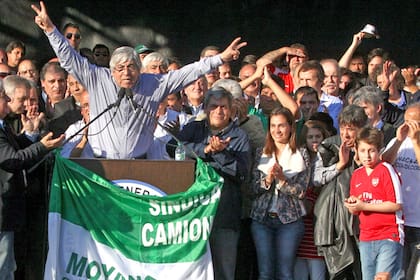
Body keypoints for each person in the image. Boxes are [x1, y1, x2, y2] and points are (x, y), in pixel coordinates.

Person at [32, 1, 245, 159]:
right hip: (99, 164)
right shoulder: (97, 77)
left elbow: (188, 72)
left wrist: (221, 59)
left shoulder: (154, 83)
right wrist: (50, 29)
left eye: (131, 67)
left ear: (139, 69)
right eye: (120, 68)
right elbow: (69, 59)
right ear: (112, 71)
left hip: (139, 167)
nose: (126, 73)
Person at [168, 88, 251, 280]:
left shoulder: (240, 136)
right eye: (214, 106)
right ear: (205, 108)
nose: (219, 111)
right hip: (193, 213)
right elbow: (172, 146)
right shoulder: (194, 128)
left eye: (224, 107)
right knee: (191, 269)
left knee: (223, 270)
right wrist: (205, 149)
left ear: (231, 110)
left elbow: (242, 172)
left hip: (224, 214)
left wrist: (220, 152)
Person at [0, 80, 64, 278]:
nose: (9, 101)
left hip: (8, 211)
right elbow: (12, 159)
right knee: (4, 267)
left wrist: (29, 135)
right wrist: (42, 147)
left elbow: (14, 148)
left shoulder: (5, 126)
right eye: (5, 98)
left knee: (8, 266)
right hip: (2, 212)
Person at [250, 107, 309, 279]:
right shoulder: (261, 153)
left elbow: (301, 191)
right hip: (262, 219)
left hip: (289, 220)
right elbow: (252, 189)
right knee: (265, 273)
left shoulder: (301, 153)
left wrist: (282, 180)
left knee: (285, 273)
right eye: (273, 126)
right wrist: (267, 180)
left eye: (282, 125)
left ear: (291, 127)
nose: (277, 130)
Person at [313, 104, 368, 279]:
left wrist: (358, 157)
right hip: (332, 216)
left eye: (351, 129)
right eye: (343, 128)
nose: (346, 134)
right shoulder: (328, 146)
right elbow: (316, 179)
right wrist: (340, 165)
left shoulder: (369, 148)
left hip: (361, 219)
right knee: (339, 271)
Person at [344, 127, 403, 280]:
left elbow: (396, 204)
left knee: (383, 277)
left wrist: (364, 206)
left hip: (389, 234)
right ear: (356, 150)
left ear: (379, 150)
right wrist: (352, 205)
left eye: (371, 150)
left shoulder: (386, 170)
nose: (367, 156)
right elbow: (356, 209)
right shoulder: (357, 175)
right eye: (363, 150)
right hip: (366, 236)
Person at [382, 102, 420, 275]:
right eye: (406, 121)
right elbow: (384, 164)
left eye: (414, 122)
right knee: (398, 272)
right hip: (399, 221)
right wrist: (398, 141)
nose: (408, 126)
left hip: (418, 221)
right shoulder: (398, 140)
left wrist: (416, 141)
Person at [294, 120, 330, 280]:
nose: (314, 140)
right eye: (310, 137)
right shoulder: (299, 160)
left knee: (317, 275)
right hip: (301, 226)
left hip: (319, 226)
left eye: (318, 136)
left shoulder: (330, 159)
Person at [297, 60, 343, 130]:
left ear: (321, 80)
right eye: (301, 79)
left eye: (309, 80)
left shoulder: (335, 103)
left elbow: (335, 129)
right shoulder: (293, 102)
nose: (304, 84)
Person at [61, 90, 93, 158]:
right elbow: (65, 157)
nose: (90, 109)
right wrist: (83, 142)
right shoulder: (74, 129)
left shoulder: (111, 127)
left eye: (93, 105)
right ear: (81, 110)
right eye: (86, 105)